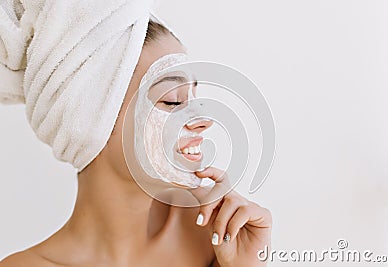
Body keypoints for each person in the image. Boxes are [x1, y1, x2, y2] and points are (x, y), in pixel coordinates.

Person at [0, 19, 272, 267]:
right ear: (90, 121)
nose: (203, 120)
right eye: (173, 100)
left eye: (193, 97)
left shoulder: (218, 240)